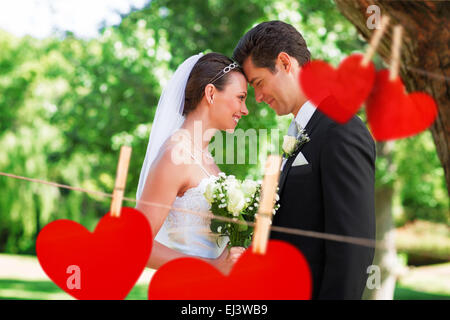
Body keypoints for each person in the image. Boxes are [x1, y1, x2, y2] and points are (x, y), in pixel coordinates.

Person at [233, 20, 376, 299]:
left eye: (259, 83)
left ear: (285, 63)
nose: (258, 98)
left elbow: (351, 249)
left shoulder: (341, 130)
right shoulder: (302, 130)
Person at [136, 52, 249, 275]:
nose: (245, 110)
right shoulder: (175, 155)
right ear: (211, 93)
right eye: (241, 97)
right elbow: (137, 245)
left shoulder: (205, 158)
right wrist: (210, 267)